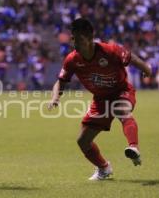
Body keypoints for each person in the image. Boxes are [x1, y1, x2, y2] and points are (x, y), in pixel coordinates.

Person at [48, 18, 151, 181]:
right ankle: (104, 168)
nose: (74, 42)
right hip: (100, 100)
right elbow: (61, 81)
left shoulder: (110, 50)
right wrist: (55, 97)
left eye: (79, 38)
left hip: (121, 91)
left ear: (90, 38)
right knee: (83, 141)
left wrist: (147, 70)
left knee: (121, 109)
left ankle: (133, 148)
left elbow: (133, 59)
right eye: (73, 38)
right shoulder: (72, 59)